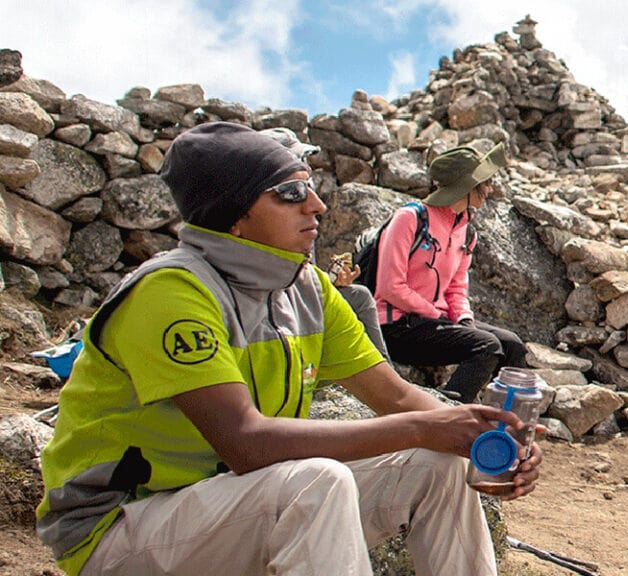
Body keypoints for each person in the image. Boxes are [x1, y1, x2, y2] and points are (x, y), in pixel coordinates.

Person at [34, 122, 539, 576]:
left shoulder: (309, 289)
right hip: (122, 525)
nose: (316, 205)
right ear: (234, 215)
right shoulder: (172, 292)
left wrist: (479, 440)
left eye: (312, 188)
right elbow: (246, 443)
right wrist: (423, 428)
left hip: (235, 503)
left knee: (440, 464)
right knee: (315, 483)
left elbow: (402, 399)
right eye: (291, 192)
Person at [374, 143, 527, 402]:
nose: (489, 189)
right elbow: (390, 286)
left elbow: (457, 288)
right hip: (398, 327)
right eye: (485, 182)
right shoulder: (410, 219)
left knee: (511, 345)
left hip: (436, 322)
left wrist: (464, 319)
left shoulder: (466, 231)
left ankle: (503, 430)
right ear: (466, 185)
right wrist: (435, 314)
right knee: (486, 347)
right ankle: (445, 422)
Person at [260, 127, 388, 360]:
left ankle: (384, 375)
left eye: (305, 159)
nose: (307, 167)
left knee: (356, 295)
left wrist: (332, 280)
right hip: (282, 306)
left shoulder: (296, 202)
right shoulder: (276, 211)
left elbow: (302, 271)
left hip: (296, 297)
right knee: (359, 299)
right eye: (298, 160)